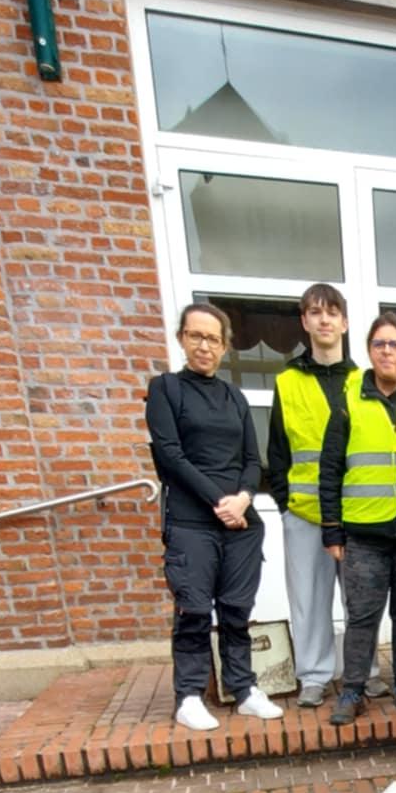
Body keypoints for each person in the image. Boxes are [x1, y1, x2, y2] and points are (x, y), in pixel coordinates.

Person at [146, 302, 283, 732]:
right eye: (196, 336)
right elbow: (170, 457)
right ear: (182, 338)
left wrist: (243, 498)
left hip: (239, 524)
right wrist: (218, 502)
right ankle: (188, 695)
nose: (205, 346)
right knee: (193, 610)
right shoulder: (165, 389)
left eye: (213, 339)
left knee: (237, 609)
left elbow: (250, 459)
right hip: (191, 521)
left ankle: (243, 689)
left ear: (224, 346)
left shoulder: (234, 396)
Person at [319, 311, 396, 726]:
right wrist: (332, 528)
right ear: (369, 351)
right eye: (380, 344)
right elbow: (330, 467)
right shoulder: (349, 400)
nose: (387, 352)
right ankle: (354, 688)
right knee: (362, 615)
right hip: (363, 532)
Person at [266, 282, 358, 707]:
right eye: (315, 313)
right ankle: (314, 676)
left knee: (360, 599)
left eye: (332, 312)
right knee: (308, 599)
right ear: (304, 322)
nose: (324, 320)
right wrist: (285, 504)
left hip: (354, 511)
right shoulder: (286, 382)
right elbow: (277, 452)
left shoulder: (361, 381)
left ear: (344, 321)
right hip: (303, 512)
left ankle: (365, 671)